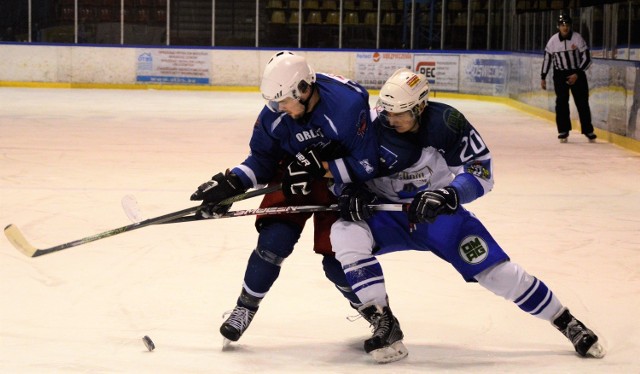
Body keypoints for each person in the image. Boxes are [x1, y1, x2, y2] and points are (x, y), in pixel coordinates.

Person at [330, 68, 606, 361]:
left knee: (494, 271)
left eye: (402, 113)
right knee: (344, 232)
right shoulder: (368, 125)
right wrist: (348, 192)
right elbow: (339, 171)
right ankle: (384, 322)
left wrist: (451, 194)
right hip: (385, 212)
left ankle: (565, 321)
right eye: (388, 112)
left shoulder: (447, 124)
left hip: (437, 214)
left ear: (421, 107)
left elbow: (481, 171)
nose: (392, 119)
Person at [189, 51, 379, 347]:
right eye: (275, 101)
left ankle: (378, 316)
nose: (279, 107)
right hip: (293, 172)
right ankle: (244, 308)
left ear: (305, 89)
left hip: (341, 181)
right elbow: (262, 160)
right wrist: (233, 183)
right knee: (273, 242)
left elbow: (367, 163)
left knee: (339, 259)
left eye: (286, 100)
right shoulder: (275, 116)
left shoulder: (347, 106)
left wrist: (339, 178)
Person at [541, 12, 597, 143]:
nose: (565, 27)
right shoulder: (553, 41)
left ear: (571, 26)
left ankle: (588, 130)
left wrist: (577, 73)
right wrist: (543, 77)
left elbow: (587, 58)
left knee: (582, 102)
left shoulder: (577, 38)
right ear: (558, 26)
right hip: (560, 75)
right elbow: (547, 59)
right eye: (562, 25)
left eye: (567, 24)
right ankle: (563, 130)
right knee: (561, 102)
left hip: (577, 73)